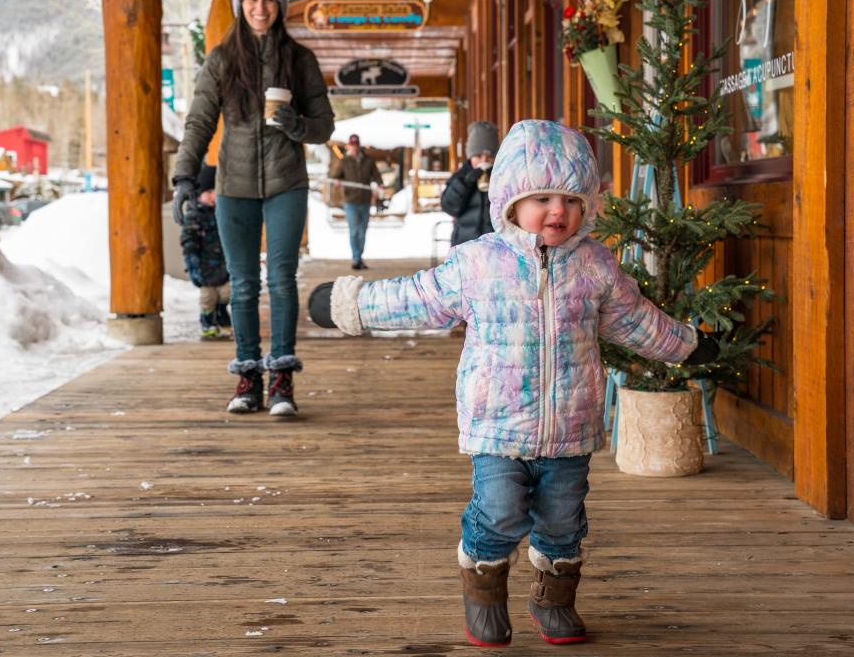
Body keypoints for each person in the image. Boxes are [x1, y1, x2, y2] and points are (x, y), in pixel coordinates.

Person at [307, 120, 718, 647]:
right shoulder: (479, 262)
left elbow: (637, 321)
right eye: (541, 197)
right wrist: (352, 305)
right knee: (499, 512)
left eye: (571, 199)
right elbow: (419, 297)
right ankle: (483, 590)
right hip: (497, 426)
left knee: (563, 522)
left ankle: (554, 599)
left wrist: (686, 344)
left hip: (569, 426)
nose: (558, 211)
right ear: (509, 201)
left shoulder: (594, 266)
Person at [172, 0, 334, 417]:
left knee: (281, 279)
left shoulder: (299, 60)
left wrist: (296, 124)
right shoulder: (222, 59)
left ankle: (282, 381)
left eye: (268, 0)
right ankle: (248, 379)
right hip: (234, 186)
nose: (260, 8)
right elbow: (199, 122)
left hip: (286, 182)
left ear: (280, 6)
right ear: (241, 4)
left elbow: (324, 125)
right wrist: (185, 177)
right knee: (242, 284)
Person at [180, 164, 231, 340]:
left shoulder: (224, 214)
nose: (211, 197)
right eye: (207, 193)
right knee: (208, 297)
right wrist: (192, 262)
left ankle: (221, 312)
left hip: (223, 265)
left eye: (214, 192)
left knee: (226, 293)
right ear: (199, 195)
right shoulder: (195, 216)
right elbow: (189, 241)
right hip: (204, 266)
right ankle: (208, 321)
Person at [328, 133, 383, 270]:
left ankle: (359, 256)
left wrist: (380, 184)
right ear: (348, 146)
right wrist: (336, 182)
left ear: (359, 146)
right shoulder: (344, 161)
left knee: (362, 231)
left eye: (356, 145)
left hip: (364, 200)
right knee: (354, 230)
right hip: (350, 201)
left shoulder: (368, 160)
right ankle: (356, 258)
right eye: (351, 146)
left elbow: (376, 175)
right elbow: (335, 177)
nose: (354, 148)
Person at [440, 120, 499, 246]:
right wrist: (465, 183)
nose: (484, 161)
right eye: (478, 156)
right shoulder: (461, 176)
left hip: (495, 245)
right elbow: (449, 206)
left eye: (489, 157)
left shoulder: (503, 176)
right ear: (470, 156)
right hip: (465, 243)